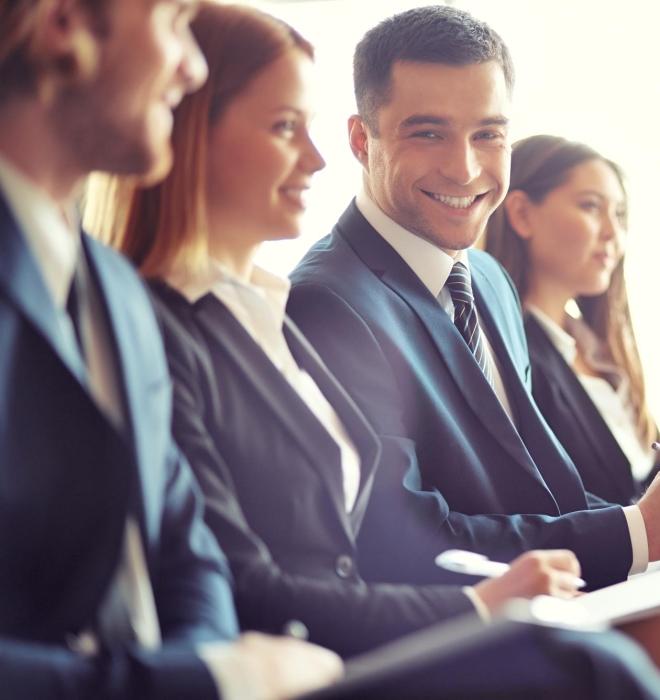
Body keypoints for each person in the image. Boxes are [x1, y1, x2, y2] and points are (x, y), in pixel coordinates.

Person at [96, 0, 588, 662]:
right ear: (191, 134)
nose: (318, 160)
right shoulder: (310, 301)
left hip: (369, 634)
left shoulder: (265, 312)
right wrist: (478, 604)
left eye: (488, 134)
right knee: (598, 668)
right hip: (324, 655)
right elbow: (271, 573)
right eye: (283, 127)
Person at [0, 1, 342, 698]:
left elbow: (191, 555)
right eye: (175, 21)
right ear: (64, 24)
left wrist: (212, 669)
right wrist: (205, 681)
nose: (192, 69)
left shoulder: (118, 294)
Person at [287, 5, 660, 592]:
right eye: (428, 133)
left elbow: (538, 489)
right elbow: (398, 536)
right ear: (362, 139)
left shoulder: (487, 278)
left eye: (488, 134)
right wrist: (636, 532)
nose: (465, 169)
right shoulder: (326, 302)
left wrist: (636, 526)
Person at [485, 134, 658, 506]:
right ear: (522, 214)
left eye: (620, 214)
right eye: (591, 207)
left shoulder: (601, 351)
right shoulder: (507, 357)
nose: (613, 233)